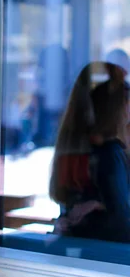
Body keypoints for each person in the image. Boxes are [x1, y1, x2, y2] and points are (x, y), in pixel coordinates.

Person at [49, 61, 130, 242]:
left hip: (84, 253)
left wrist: (98, 205)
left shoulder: (75, 147)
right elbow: (122, 222)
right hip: (109, 258)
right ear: (115, 108)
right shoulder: (109, 154)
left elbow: (71, 208)